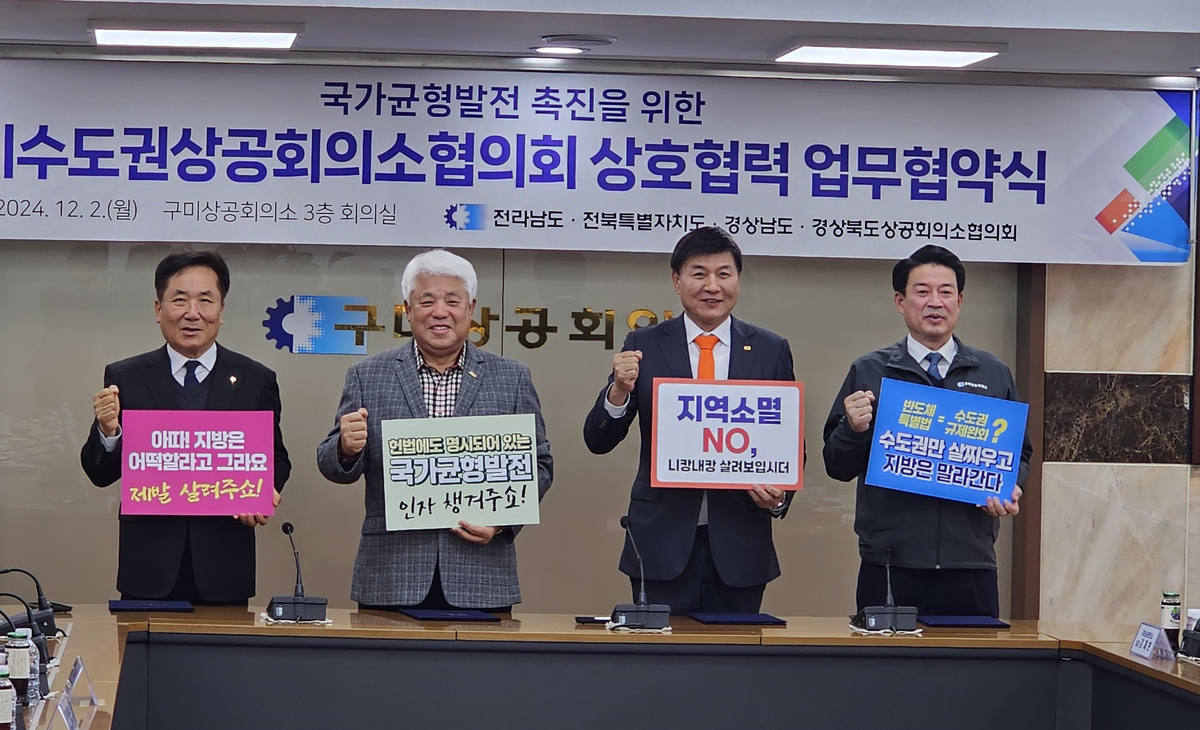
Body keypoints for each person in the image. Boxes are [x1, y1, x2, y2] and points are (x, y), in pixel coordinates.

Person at [317, 249, 553, 613]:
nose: (440, 311)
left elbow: (540, 466)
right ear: (408, 310)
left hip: (481, 576)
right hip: (391, 575)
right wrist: (346, 448)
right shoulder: (368, 375)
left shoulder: (512, 378)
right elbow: (333, 465)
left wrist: (501, 524)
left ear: (470, 309)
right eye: (426, 301)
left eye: (452, 301)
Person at [583, 226, 796, 614]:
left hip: (741, 542)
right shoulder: (644, 345)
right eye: (699, 274)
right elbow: (598, 440)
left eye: (723, 274)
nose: (712, 286)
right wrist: (618, 391)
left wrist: (779, 497)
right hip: (660, 541)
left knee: (737, 648)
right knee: (661, 651)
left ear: (738, 280)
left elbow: (787, 440)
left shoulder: (770, 349)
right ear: (677, 281)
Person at [823, 245, 1032, 617]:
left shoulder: (992, 372)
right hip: (890, 563)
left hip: (970, 561)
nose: (935, 302)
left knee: (973, 656)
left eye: (946, 292)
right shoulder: (870, 370)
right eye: (922, 292)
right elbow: (836, 465)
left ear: (959, 301)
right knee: (886, 657)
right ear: (900, 302)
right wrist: (853, 429)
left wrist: (1009, 485)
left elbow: (1020, 453)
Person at [81, 250, 291, 605]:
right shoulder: (126, 377)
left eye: (205, 300)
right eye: (179, 300)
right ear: (158, 309)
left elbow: (277, 458)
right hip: (147, 570)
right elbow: (100, 474)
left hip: (225, 568)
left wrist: (263, 489)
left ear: (221, 310)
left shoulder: (256, 380)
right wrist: (108, 430)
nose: (192, 313)